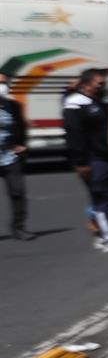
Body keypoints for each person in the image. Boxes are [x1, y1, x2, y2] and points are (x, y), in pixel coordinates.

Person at [63, 69, 108, 252]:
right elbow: (74, 135)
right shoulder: (74, 103)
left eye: (103, 82)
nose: (102, 85)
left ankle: (103, 236)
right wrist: (80, 162)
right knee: (102, 197)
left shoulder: (100, 100)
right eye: (98, 82)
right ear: (86, 83)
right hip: (93, 159)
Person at [0, 72, 31, 240]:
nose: (2, 86)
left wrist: (23, 145)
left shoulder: (14, 106)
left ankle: (19, 227)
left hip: (9, 157)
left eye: (4, 82)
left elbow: (21, 127)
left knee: (17, 192)